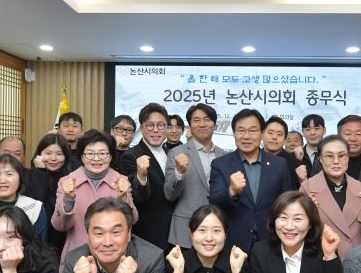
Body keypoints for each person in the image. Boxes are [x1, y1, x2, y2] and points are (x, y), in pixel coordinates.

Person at [52, 129, 137, 273]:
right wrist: (68, 199)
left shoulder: (121, 181)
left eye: (102, 153)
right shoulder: (67, 182)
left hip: (113, 259)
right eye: (90, 154)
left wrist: (122, 198)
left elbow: (133, 221)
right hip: (78, 259)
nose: (96, 158)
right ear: (81, 156)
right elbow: (59, 226)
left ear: (111, 156)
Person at [61, 198, 165, 273]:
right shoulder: (74, 260)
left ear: (129, 234)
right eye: (99, 233)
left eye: (116, 232)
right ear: (87, 236)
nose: (107, 242)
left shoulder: (151, 260)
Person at [210, 109, 294, 253]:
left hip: (271, 240)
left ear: (262, 133)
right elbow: (214, 202)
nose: (246, 136)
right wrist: (231, 191)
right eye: (241, 130)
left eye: (252, 130)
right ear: (234, 133)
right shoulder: (220, 164)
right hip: (234, 243)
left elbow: (288, 203)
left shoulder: (279, 164)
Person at [164, 104, 226, 249]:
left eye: (207, 119)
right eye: (196, 120)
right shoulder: (177, 153)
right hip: (186, 228)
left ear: (215, 124)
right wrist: (179, 173)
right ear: (190, 125)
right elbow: (169, 194)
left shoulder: (223, 155)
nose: (202, 124)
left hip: (217, 228)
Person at [300, 135, 361, 260]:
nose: (336, 161)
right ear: (320, 159)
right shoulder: (308, 188)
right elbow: (301, 229)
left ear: (348, 157)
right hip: (323, 259)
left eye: (341, 155)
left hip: (358, 262)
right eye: (329, 156)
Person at [119, 103, 176, 252]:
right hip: (148, 235)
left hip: (174, 233)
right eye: (150, 125)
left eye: (161, 125)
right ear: (142, 128)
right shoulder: (131, 156)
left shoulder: (172, 153)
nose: (156, 130)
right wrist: (141, 175)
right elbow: (137, 198)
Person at [24, 133, 73, 257]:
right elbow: (36, 201)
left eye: (59, 154)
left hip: (63, 237)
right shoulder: (29, 176)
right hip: (38, 236)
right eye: (48, 153)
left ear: (66, 156)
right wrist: (40, 171)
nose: (53, 158)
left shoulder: (71, 178)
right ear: (39, 154)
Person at [263, 115, 302, 188]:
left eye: (279, 134)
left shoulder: (294, 162)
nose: (274, 137)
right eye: (270, 133)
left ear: (284, 140)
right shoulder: (252, 158)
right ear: (262, 135)